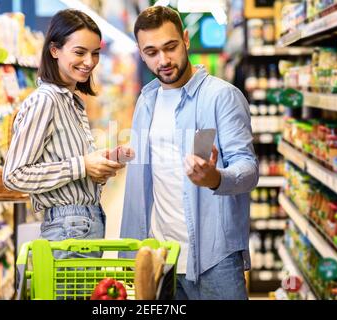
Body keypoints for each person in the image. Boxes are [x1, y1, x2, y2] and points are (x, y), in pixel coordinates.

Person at [120, 6, 259, 299]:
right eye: (152, 52)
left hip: (214, 259)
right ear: (141, 53)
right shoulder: (145, 101)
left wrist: (216, 178)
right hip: (160, 257)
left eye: (170, 47)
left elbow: (248, 168)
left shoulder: (222, 96)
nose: (164, 60)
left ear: (185, 39)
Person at [3, 9, 127, 258]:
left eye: (95, 53)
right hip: (68, 227)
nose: (89, 62)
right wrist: (81, 165)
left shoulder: (71, 102)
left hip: (84, 221)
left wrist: (98, 164)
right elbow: (14, 175)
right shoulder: (45, 101)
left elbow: (70, 164)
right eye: (80, 52)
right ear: (54, 51)